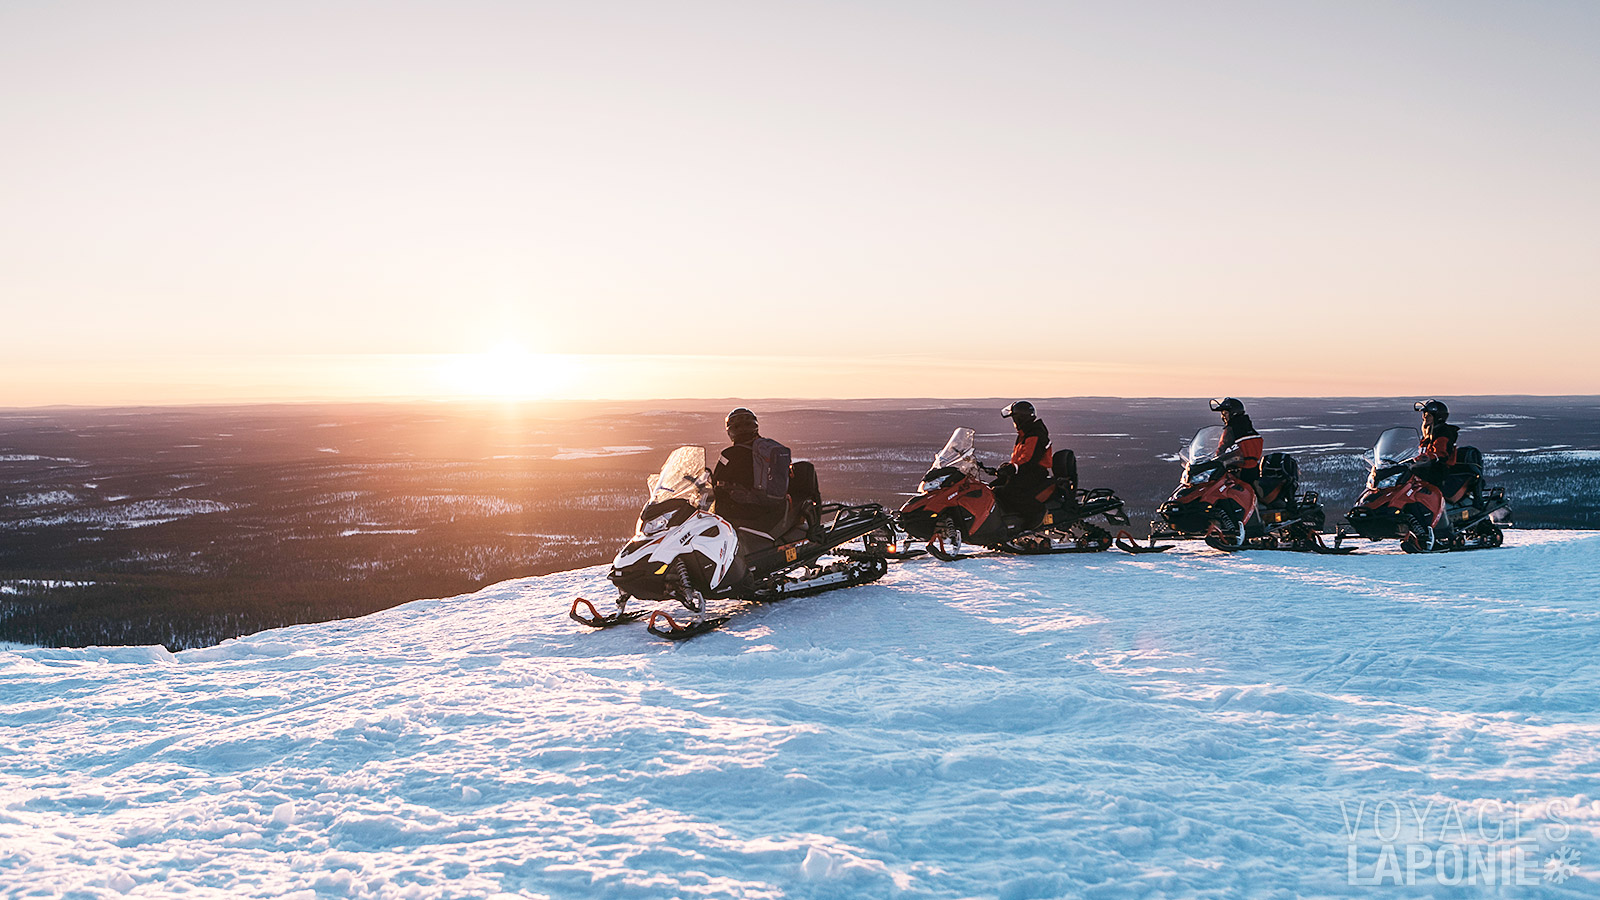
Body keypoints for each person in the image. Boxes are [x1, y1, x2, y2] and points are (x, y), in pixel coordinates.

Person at [711, 407, 791, 535]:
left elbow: (715, 479)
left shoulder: (729, 455)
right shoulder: (766, 451)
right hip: (770, 507)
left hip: (743, 509)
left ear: (731, 431)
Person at [991, 400, 1052, 522]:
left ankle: (1035, 515)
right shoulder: (1026, 433)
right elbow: (1021, 458)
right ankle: (1003, 519)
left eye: (1014, 419)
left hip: (1035, 471)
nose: (1013, 423)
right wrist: (1007, 468)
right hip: (1026, 470)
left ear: (1020, 419)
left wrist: (1014, 468)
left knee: (1009, 492)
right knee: (992, 487)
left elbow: (1030, 459)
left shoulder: (1035, 433)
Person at [1211, 397, 1263, 484]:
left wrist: (1214, 460)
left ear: (1233, 413)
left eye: (1225, 413)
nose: (1223, 416)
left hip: (1239, 472)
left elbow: (1222, 448)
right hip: (1253, 470)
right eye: (1222, 413)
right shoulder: (1248, 427)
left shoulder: (1231, 430)